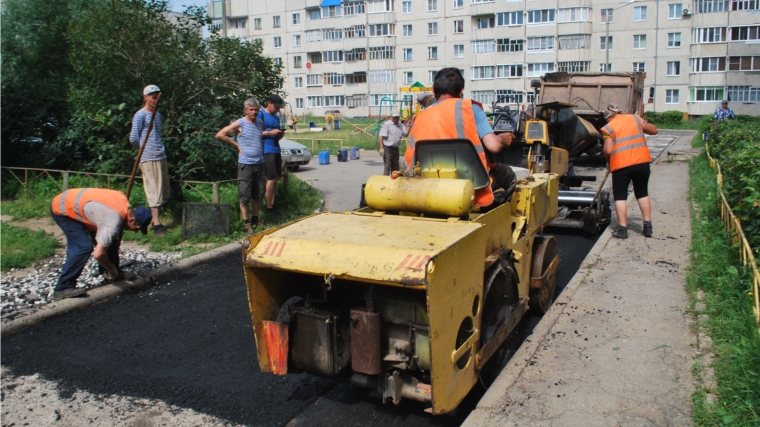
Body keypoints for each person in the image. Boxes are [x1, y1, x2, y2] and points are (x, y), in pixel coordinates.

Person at [405, 67, 517, 208]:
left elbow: (409, 158)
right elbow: (494, 146)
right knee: (509, 175)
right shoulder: (470, 109)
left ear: (433, 91)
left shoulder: (421, 117)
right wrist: (502, 139)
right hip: (470, 185)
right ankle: (490, 211)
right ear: (461, 91)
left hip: (429, 185)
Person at [50, 188, 153, 301]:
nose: (137, 230)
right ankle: (63, 288)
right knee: (83, 247)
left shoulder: (122, 202)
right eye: (138, 227)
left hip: (82, 205)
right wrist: (112, 269)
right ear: (132, 220)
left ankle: (109, 274)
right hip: (64, 209)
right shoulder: (112, 222)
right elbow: (98, 254)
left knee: (110, 240)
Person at [601, 104, 659, 239]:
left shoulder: (606, 128)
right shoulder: (636, 118)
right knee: (642, 192)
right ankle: (647, 225)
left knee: (620, 196)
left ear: (609, 117)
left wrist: (609, 162)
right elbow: (653, 130)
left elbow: (607, 150)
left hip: (621, 166)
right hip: (642, 162)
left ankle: (622, 229)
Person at [215, 98, 266, 234]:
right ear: (245, 110)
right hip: (246, 164)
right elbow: (220, 134)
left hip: (259, 163)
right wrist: (236, 144)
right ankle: (246, 222)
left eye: (256, 109)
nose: (254, 112)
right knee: (245, 194)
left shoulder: (260, 123)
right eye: (251, 109)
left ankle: (255, 219)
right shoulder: (240, 123)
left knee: (258, 193)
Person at [129, 84, 169, 237]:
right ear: (145, 97)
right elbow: (133, 138)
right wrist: (142, 151)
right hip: (148, 156)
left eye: (157, 97)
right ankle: (156, 223)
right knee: (154, 189)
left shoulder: (157, 115)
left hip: (160, 154)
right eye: (153, 97)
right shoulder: (140, 115)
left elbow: (158, 134)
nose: (155, 100)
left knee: (162, 188)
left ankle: (155, 219)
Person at [259, 94, 286, 218]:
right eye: (275, 107)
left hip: (276, 148)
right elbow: (256, 132)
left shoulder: (275, 117)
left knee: (276, 178)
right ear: (269, 103)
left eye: (279, 107)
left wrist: (280, 134)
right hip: (266, 149)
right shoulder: (261, 115)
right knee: (271, 178)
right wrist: (270, 132)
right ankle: (268, 207)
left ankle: (273, 204)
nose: (277, 109)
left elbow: (276, 132)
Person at [378, 110, 408, 176]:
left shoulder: (401, 125)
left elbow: (405, 134)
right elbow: (381, 136)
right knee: (387, 165)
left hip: (395, 148)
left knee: (396, 166)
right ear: (391, 117)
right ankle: (385, 180)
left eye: (397, 117)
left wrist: (410, 127)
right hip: (387, 148)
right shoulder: (387, 124)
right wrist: (381, 148)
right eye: (395, 117)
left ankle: (394, 181)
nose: (396, 119)